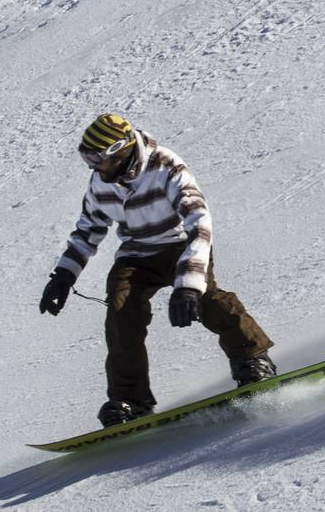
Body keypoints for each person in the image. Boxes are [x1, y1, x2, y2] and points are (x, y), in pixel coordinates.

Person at [39, 113, 277, 427]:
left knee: (207, 299)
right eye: (87, 158)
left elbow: (200, 224)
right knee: (122, 312)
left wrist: (189, 284)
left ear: (121, 151)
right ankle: (131, 400)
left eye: (97, 158)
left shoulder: (166, 167)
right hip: (137, 255)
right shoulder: (101, 181)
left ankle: (252, 360)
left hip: (181, 245)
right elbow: (87, 231)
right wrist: (63, 276)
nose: (92, 166)